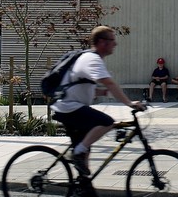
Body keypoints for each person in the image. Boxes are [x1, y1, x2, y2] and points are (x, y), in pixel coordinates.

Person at [51, 26, 144, 177]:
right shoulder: (92, 59)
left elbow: (88, 88)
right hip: (69, 108)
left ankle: (83, 186)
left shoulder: (92, 58)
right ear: (102, 42)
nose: (115, 44)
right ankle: (78, 154)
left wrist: (105, 93)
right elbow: (110, 83)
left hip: (70, 107)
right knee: (107, 122)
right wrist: (129, 103)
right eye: (112, 40)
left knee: (85, 148)